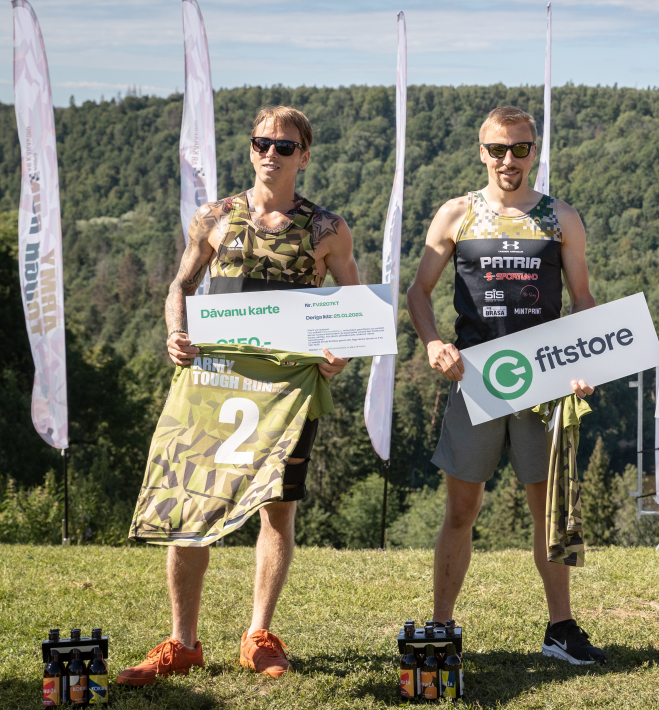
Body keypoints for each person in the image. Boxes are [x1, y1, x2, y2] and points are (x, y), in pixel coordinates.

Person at [117, 106, 359, 685]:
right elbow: (181, 285)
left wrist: (340, 356)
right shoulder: (216, 216)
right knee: (188, 504)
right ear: (251, 150)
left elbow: (355, 307)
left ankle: (259, 635)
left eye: (284, 145)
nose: (270, 153)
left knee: (278, 508)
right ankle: (183, 643)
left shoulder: (327, 228)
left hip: (286, 393)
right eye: (261, 143)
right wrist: (176, 333)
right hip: (212, 384)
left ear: (304, 155)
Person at [406, 106, 605, 665]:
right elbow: (418, 292)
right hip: (475, 378)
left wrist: (584, 360)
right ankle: (441, 625)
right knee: (461, 509)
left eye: (520, 148)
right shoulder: (457, 214)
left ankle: (560, 630)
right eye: (498, 149)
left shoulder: (561, 217)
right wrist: (433, 343)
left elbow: (582, 299)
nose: (508, 160)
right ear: (482, 151)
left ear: (534, 151)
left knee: (547, 510)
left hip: (546, 378)